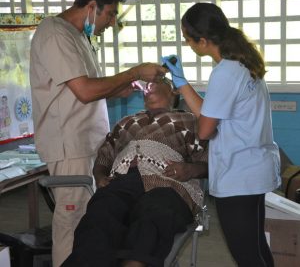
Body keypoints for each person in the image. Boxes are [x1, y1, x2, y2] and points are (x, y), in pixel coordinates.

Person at [29, 0, 167, 266]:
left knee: (91, 222)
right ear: (92, 6)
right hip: (70, 146)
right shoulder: (55, 34)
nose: (112, 22)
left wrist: (125, 87)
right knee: (71, 220)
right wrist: (132, 73)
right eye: (111, 14)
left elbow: (93, 89)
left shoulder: (80, 36)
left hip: (90, 143)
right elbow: (84, 91)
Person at [162, 2, 281, 267]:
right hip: (254, 170)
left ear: (203, 40)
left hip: (238, 176)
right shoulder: (242, 63)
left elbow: (205, 128)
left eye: (188, 38)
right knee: (257, 248)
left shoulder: (225, 72)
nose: (187, 43)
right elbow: (210, 111)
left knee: (247, 255)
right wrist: (181, 83)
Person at [61, 79, 208, 267]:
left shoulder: (190, 120)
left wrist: (190, 169)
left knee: (155, 212)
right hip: (123, 180)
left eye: (159, 81)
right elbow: (105, 156)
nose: (150, 84)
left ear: (174, 92)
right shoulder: (125, 123)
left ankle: (135, 263)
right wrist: (100, 176)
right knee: (101, 211)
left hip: (169, 183)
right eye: (147, 82)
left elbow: (210, 162)